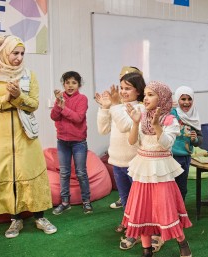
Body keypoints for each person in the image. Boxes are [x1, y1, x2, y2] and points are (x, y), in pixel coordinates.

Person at [0, 35, 56, 238]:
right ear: (4, 53)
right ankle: (15, 220)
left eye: (22, 53)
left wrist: (19, 97)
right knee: (8, 176)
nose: (19, 57)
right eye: (15, 53)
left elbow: (34, 104)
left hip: (26, 135)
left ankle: (40, 216)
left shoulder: (29, 75)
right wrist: (6, 98)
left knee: (31, 173)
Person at [123, 81, 193, 257]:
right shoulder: (142, 116)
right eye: (145, 94)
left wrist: (156, 126)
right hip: (143, 170)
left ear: (161, 98)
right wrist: (135, 123)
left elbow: (167, 144)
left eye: (151, 94)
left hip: (162, 171)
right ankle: (147, 250)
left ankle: (182, 243)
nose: (145, 98)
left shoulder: (170, 119)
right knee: (143, 209)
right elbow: (132, 142)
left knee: (166, 208)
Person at [95, 66, 146, 249]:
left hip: (134, 163)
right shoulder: (117, 107)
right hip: (117, 161)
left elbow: (125, 126)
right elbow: (103, 129)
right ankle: (131, 225)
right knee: (125, 199)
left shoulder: (140, 108)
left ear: (138, 91)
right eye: (121, 88)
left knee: (137, 201)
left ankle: (137, 231)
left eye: (128, 88)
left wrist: (114, 106)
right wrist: (104, 107)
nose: (123, 92)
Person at [50, 71, 92, 215]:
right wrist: (58, 104)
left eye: (73, 82)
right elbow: (54, 116)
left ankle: (86, 201)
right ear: (63, 84)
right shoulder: (60, 98)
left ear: (79, 85)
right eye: (67, 82)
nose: (70, 85)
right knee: (64, 173)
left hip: (78, 142)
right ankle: (65, 202)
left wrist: (63, 107)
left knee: (81, 172)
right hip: (62, 142)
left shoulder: (82, 99)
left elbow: (78, 118)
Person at [171, 85, 203, 200]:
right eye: (183, 99)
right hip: (171, 157)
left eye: (189, 99)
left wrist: (195, 139)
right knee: (169, 188)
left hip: (185, 157)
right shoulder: (172, 113)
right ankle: (170, 214)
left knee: (182, 188)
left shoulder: (194, 115)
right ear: (177, 99)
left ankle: (181, 213)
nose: (186, 102)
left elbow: (199, 139)